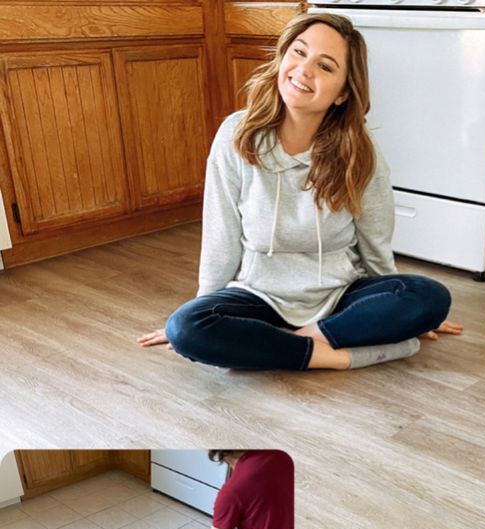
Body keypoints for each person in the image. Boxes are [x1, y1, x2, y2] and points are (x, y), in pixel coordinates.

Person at [137, 13, 462, 371]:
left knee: (429, 296)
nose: (304, 70)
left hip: (340, 293)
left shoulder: (359, 150)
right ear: (282, 57)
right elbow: (221, 236)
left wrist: (406, 310)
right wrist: (199, 308)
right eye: (299, 52)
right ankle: (340, 356)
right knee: (186, 328)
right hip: (258, 294)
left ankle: (287, 343)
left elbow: (375, 243)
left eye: (325, 66)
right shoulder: (236, 135)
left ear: (341, 93)